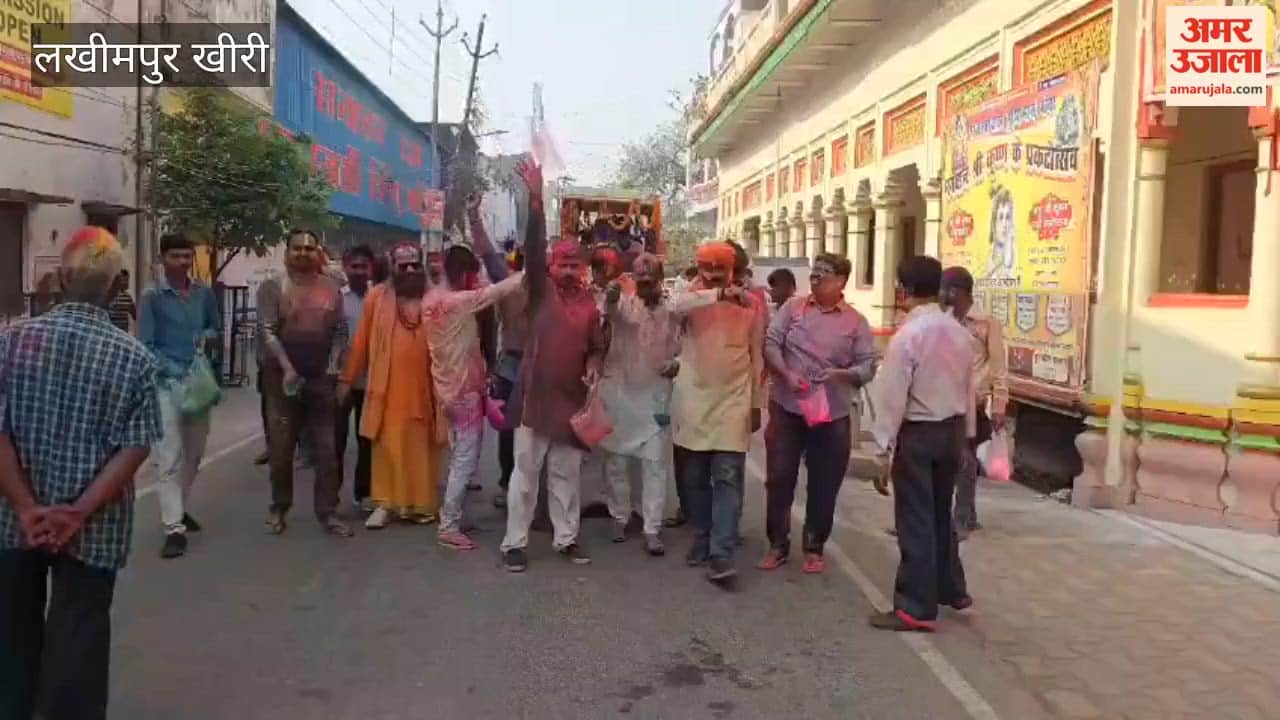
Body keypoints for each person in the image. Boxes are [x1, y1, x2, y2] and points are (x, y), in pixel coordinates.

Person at [0, 227, 162, 720]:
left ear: (59, 279)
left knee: (10, 636)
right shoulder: (134, 357)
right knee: (80, 640)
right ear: (117, 288)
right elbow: (135, 446)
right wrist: (77, 513)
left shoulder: (11, 342)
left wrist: (28, 508)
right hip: (95, 529)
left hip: (13, 521)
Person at [501, 161, 607, 573]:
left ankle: (566, 539)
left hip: (571, 405)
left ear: (582, 269)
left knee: (566, 476)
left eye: (574, 265)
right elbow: (532, 244)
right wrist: (535, 198)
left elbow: (596, 348)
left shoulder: (589, 305)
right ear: (550, 267)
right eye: (562, 264)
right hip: (534, 402)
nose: (568, 270)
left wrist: (595, 366)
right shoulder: (540, 292)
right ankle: (515, 543)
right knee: (525, 476)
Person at [869, 255, 975, 632]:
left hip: (918, 432)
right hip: (950, 430)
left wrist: (882, 450)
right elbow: (969, 389)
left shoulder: (908, 336)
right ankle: (951, 587)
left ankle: (915, 606)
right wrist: (966, 439)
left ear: (903, 290)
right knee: (938, 513)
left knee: (915, 518)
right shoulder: (960, 333)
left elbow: (892, 397)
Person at [759, 253, 877, 574]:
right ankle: (777, 544)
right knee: (780, 478)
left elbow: (868, 365)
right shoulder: (792, 309)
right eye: (814, 274)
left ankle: (814, 546)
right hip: (788, 408)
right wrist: (784, 373)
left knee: (825, 482)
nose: (815, 279)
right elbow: (771, 343)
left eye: (823, 275)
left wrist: (841, 375)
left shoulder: (855, 322)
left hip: (832, 413)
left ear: (840, 282)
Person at [422, 194, 525, 550]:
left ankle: (453, 515)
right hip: (464, 392)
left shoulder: (432, 300)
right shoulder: (459, 302)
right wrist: (537, 269)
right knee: (466, 458)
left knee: (458, 456)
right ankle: (448, 525)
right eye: (473, 274)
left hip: (447, 388)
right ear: (465, 273)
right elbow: (502, 287)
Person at [670, 242, 762, 585]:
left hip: (734, 400)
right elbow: (672, 308)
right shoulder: (688, 297)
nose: (711, 272)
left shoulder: (752, 302)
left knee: (727, 477)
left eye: (719, 267)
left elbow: (758, 355)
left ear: (733, 267)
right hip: (693, 399)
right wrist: (718, 295)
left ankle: (721, 552)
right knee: (693, 479)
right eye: (706, 266)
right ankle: (703, 536)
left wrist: (756, 404)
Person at [340, 243, 444, 529]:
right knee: (386, 448)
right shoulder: (377, 297)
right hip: (387, 389)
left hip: (426, 388)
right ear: (393, 268)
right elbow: (360, 342)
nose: (409, 270)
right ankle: (385, 504)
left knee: (422, 448)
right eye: (403, 266)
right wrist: (347, 380)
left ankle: (421, 504)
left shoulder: (435, 298)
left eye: (414, 265)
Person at [257, 229, 351, 537]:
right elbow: (267, 331)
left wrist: (334, 363)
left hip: (320, 379)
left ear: (318, 253)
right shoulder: (274, 287)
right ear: (287, 252)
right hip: (281, 380)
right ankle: (279, 507)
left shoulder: (331, 288)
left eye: (309, 249)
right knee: (281, 451)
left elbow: (339, 331)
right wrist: (286, 368)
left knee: (327, 451)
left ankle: (328, 512)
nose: (303, 254)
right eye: (297, 249)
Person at [138, 233, 221, 559]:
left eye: (187, 256)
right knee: (168, 456)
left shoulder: (203, 293)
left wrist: (207, 339)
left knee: (195, 454)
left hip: (198, 384)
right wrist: (173, 370)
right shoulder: (152, 297)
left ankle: (179, 506)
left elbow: (215, 327)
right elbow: (145, 344)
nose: (183, 262)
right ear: (163, 260)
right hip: (166, 386)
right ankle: (173, 528)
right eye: (176, 256)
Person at [600, 253, 680, 556]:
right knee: (617, 462)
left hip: (656, 396)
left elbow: (686, 344)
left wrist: (677, 363)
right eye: (639, 279)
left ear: (660, 279)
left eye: (650, 280)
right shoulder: (624, 305)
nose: (645, 285)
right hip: (622, 396)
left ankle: (651, 528)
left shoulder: (673, 309)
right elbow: (612, 315)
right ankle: (620, 516)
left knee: (655, 464)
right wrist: (610, 301)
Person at [940, 266, 1008, 540]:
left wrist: (1000, 404)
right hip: (942, 399)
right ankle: (958, 514)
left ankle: (963, 517)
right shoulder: (942, 321)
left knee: (965, 459)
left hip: (973, 401)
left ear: (956, 292)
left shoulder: (985, 323)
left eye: (944, 290)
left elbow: (999, 368)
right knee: (950, 459)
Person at [337, 245, 376, 512]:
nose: (359, 271)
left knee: (367, 441)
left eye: (364, 266)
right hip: (341, 381)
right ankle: (330, 494)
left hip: (372, 381)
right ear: (345, 267)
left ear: (371, 269)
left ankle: (364, 494)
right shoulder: (335, 299)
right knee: (334, 440)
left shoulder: (381, 298)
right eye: (354, 266)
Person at [492, 248, 527, 509]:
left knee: (534, 431)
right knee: (507, 430)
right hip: (510, 366)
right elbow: (489, 258)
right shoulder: (508, 287)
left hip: (537, 367)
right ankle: (506, 482)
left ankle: (525, 485)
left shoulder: (550, 291)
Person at [107, 269, 136, 333]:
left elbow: (135, 315)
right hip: (110, 332)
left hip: (123, 333)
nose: (127, 283)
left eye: (127, 280)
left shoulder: (127, 297)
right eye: (125, 280)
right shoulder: (107, 297)